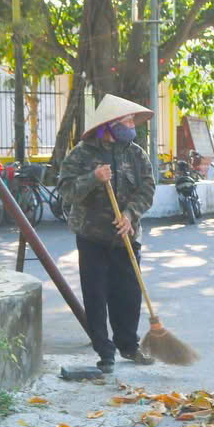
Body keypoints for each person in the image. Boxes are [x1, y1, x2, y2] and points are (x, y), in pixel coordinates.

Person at [58, 95, 157, 375]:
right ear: (111, 125)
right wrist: (93, 178)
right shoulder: (81, 154)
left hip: (126, 236)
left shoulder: (136, 154)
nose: (132, 125)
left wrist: (130, 215)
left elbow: (148, 188)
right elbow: (66, 191)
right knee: (96, 295)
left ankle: (129, 345)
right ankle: (104, 351)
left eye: (132, 121)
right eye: (127, 121)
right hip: (92, 236)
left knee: (128, 294)